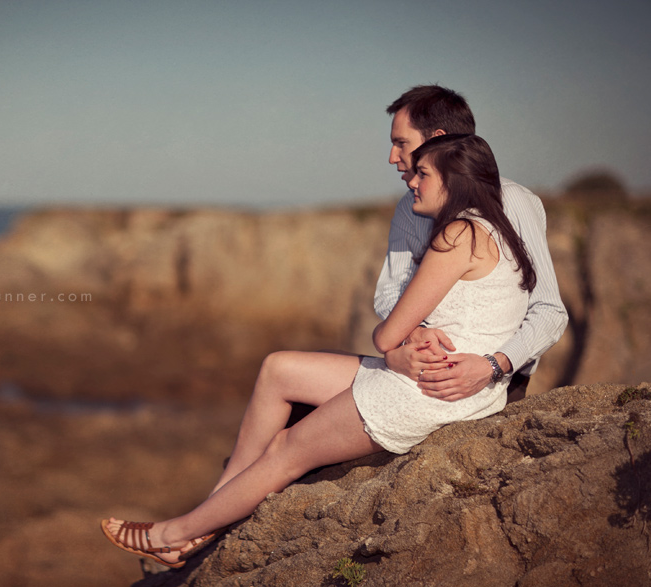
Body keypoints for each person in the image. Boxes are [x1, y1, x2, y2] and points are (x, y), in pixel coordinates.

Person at [102, 134, 539, 569]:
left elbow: (386, 336)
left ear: (454, 180)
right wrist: (421, 336)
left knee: (285, 449)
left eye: (423, 174)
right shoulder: (498, 228)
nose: (412, 182)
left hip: (425, 392)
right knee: (279, 369)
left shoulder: (458, 234)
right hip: (441, 378)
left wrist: (407, 339)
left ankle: (170, 536)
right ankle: (216, 508)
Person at [378, 86, 568, 403]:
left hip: (496, 382)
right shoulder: (407, 210)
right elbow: (389, 291)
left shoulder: (513, 200)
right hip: (424, 373)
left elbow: (548, 309)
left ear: (436, 137)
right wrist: (413, 333)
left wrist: (494, 365)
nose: (392, 157)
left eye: (401, 143)